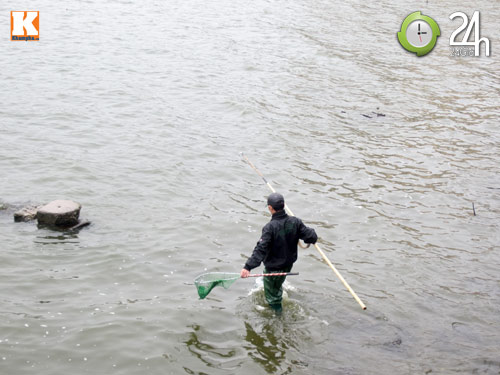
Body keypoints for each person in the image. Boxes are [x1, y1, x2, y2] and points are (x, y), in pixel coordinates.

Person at [241, 192, 317, 313]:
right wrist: (310, 234)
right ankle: (276, 290)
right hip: (287, 265)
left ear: (270, 208)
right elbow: (311, 236)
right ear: (284, 205)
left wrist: (247, 267)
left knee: (272, 298)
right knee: (277, 285)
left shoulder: (270, 227)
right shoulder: (295, 222)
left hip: (273, 269)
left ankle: (278, 315)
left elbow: (261, 249)